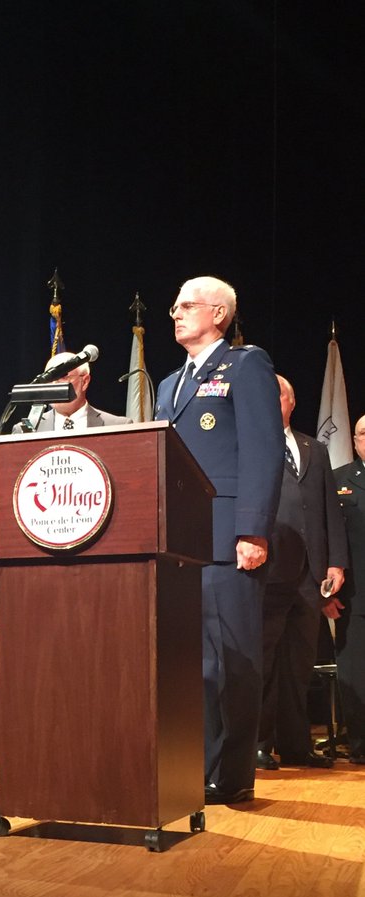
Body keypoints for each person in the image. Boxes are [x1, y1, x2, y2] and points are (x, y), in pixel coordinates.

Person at [154, 276, 284, 804]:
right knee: (191, 661)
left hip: (228, 536)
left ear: (220, 314)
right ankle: (193, 764)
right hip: (179, 540)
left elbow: (263, 449)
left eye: (187, 305)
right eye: (175, 306)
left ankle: (231, 773)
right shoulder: (168, 384)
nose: (176, 313)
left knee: (232, 659)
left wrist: (252, 529)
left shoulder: (246, 365)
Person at [256, 375, 346, 769]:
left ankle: (296, 746)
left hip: (310, 577)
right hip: (268, 571)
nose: (270, 400)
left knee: (299, 665)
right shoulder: (250, 444)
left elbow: (329, 511)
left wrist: (336, 561)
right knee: (264, 662)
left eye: (276, 394)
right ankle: (259, 744)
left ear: (291, 402)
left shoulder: (316, 449)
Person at [331, 415, 365, 765]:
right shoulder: (339, 479)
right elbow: (328, 538)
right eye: (364, 434)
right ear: (354, 441)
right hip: (355, 596)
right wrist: (326, 594)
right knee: (357, 673)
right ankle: (361, 744)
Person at [27, 350, 131, 431]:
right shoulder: (28, 430)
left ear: (84, 382)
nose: (54, 384)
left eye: (63, 377)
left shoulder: (118, 427)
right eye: (49, 379)